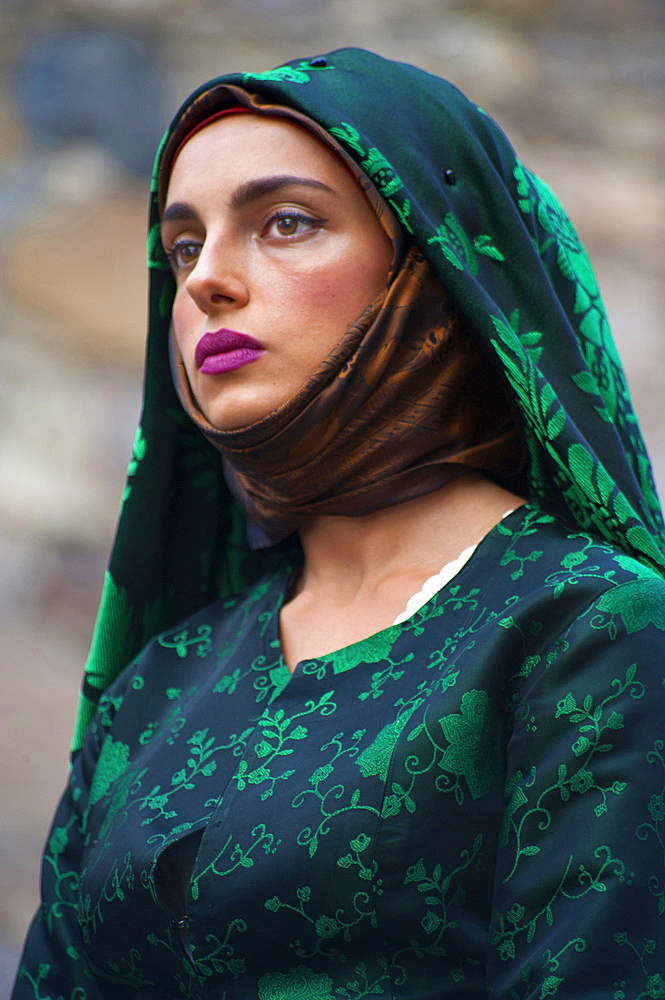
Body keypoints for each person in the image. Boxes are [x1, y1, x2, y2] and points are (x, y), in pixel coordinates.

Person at [11, 47, 665, 999]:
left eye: (285, 222)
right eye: (184, 245)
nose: (206, 283)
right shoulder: (162, 680)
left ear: (436, 276)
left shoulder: (589, 633)